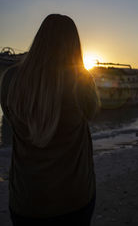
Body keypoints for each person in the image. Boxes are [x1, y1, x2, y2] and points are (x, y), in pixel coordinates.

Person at [0, 14, 100, 225]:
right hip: (74, 198)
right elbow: (91, 113)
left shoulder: (10, 79)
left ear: (39, 39)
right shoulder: (82, 80)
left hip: (26, 200)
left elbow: (10, 118)